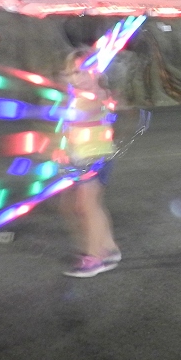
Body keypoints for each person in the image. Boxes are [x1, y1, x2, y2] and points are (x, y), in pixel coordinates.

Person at [57, 48, 122, 278]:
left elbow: (78, 118)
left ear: (95, 72)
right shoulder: (81, 95)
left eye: (84, 71)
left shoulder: (93, 95)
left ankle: (95, 258)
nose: (78, 77)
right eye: (74, 72)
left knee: (87, 206)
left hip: (93, 159)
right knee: (87, 205)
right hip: (87, 156)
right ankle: (110, 249)